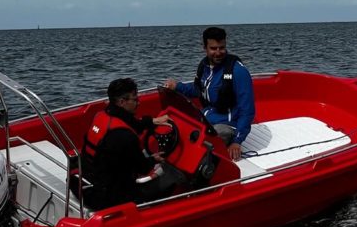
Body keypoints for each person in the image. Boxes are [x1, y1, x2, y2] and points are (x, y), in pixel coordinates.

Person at [81, 78, 178, 211]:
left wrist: (152, 121)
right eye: (135, 99)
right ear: (122, 102)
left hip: (92, 183)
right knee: (172, 175)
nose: (139, 102)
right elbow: (143, 168)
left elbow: (133, 123)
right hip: (113, 196)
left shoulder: (101, 116)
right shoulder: (125, 136)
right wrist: (153, 159)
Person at [163, 26, 254, 161]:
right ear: (204, 47)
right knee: (173, 128)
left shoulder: (238, 72)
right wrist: (177, 86)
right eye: (213, 48)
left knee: (199, 147)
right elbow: (198, 89)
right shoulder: (205, 67)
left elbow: (247, 111)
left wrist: (237, 141)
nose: (218, 52)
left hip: (226, 126)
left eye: (221, 48)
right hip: (206, 120)